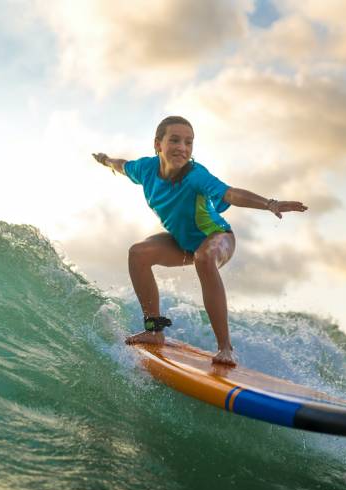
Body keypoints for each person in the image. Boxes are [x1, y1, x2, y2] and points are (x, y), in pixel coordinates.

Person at [92, 116, 307, 366]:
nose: (182, 148)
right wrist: (106, 160)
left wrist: (270, 204)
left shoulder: (195, 175)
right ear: (157, 144)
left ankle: (225, 347)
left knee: (203, 257)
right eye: (175, 140)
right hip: (183, 243)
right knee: (138, 253)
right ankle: (153, 330)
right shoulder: (145, 169)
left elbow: (230, 193)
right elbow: (123, 165)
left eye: (189, 142)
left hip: (218, 237)